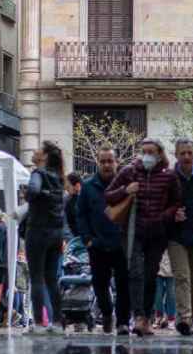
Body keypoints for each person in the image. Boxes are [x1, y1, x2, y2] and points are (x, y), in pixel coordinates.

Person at [106, 138, 182, 337]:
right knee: (136, 274)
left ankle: (146, 318)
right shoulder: (129, 172)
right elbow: (108, 195)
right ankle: (138, 316)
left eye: (151, 152)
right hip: (134, 233)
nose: (147, 155)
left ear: (159, 154)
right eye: (144, 151)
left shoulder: (169, 176)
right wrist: (126, 190)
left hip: (157, 234)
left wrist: (164, 216)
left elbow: (176, 202)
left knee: (150, 276)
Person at [76, 146, 130, 335]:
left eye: (110, 161)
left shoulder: (125, 186)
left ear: (117, 162)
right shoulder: (88, 186)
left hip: (121, 244)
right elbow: (80, 215)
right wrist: (87, 239)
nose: (107, 165)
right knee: (100, 284)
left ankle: (123, 322)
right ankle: (107, 313)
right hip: (97, 245)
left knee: (124, 285)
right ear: (98, 163)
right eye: (103, 161)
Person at [25, 141, 67, 334]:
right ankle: (57, 323)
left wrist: (34, 194)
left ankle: (38, 324)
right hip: (56, 234)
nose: (34, 151)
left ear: (45, 157)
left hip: (38, 232)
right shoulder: (59, 178)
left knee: (36, 278)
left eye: (38, 150)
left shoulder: (38, 174)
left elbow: (33, 191)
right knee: (51, 279)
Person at [167, 138, 193, 336]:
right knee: (181, 276)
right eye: (182, 153)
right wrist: (172, 214)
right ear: (176, 155)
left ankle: (189, 321)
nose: (187, 157)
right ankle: (184, 318)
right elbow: (162, 206)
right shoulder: (169, 177)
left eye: (190, 153)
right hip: (175, 236)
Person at [154, 251, 176, 330]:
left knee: (171, 294)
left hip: (172, 261)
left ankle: (171, 319)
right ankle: (159, 316)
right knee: (158, 293)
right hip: (158, 260)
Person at [64, 171, 82, 239]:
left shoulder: (73, 200)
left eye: (68, 187)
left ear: (77, 186)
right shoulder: (67, 199)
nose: (66, 189)